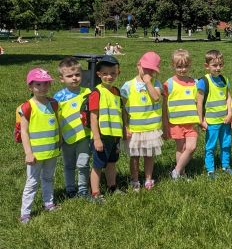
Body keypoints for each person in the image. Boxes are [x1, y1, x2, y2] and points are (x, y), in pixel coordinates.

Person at [18, 68, 60, 223]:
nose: (43, 88)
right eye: (38, 84)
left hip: (51, 151)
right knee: (32, 182)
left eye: (46, 84)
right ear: (30, 87)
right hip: (35, 154)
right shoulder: (27, 107)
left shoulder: (54, 104)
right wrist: (28, 152)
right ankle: (25, 213)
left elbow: (56, 125)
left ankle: (48, 203)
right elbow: (24, 132)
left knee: (49, 178)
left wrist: (58, 143)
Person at [121, 51, 163, 191]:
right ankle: (134, 180)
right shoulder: (128, 85)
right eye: (146, 69)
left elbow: (156, 97)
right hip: (135, 128)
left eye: (152, 70)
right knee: (135, 155)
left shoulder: (155, 83)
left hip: (151, 128)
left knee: (149, 155)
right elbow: (123, 109)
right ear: (138, 65)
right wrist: (125, 126)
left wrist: (148, 82)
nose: (148, 72)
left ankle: (148, 178)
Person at [54, 58, 92, 198]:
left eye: (77, 74)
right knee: (69, 165)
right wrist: (58, 137)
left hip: (84, 136)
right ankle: (70, 189)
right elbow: (56, 120)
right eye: (69, 76)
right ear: (62, 79)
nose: (74, 78)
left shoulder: (87, 92)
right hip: (67, 138)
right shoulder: (58, 97)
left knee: (83, 164)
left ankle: (82, 189)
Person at [87, 55, 122, 201]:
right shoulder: (96, 93)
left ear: (118, 73)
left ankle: (112, 186)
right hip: (101, 136)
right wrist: (96, 138)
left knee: (112, 163)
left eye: (113, 73)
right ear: (99, 74)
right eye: (105, 73)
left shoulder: (116, 91)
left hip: (114, 136)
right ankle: (95, 193)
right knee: (98, 165)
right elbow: (93, 117)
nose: (109, 76)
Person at [162, 49, 200, 179]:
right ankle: (181, 173)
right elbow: (163, 105)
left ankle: (176, 171)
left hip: (191, 122)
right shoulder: (169, 84)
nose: (182, 69)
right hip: (176, 123)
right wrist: (165, 123)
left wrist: (201, 118)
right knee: (181, 149)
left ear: (189, 65)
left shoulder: (195, 82)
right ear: (173, 66)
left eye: (185, 66)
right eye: (179, 67)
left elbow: (198, 102)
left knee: (192, 147)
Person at [198, 49, 232, 176]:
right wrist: (201, 120)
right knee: (210, 147)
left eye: (220, 65)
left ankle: (226, 166)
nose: (218, 68)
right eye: (214, 65)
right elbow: (199, 102)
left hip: (225, 121)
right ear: (207, 66)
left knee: (226, 144)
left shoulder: (224, 79)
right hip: (211, 122)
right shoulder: (204, 81)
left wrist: (230, 114)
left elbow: (228, 98)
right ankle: (210, 170)